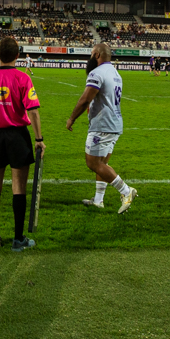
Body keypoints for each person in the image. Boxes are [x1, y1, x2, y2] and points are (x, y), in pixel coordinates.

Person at [0, 36, 44, 251]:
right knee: (18, 187)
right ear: (18, 56)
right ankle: (18, 239)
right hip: (18, 136)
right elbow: (33, 111)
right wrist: (39, 139)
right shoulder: (23, 79)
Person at [67, 43, 137, 213]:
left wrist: (71, 118)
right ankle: (98, 200)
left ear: (97, 55)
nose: (90, 58)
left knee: (93, 163)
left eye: (92, 54)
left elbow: (85, 99)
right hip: (115, 123)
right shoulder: (115, 73)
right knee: (103, 163)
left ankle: (126, 191)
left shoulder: (97, 73)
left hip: (103, 125)